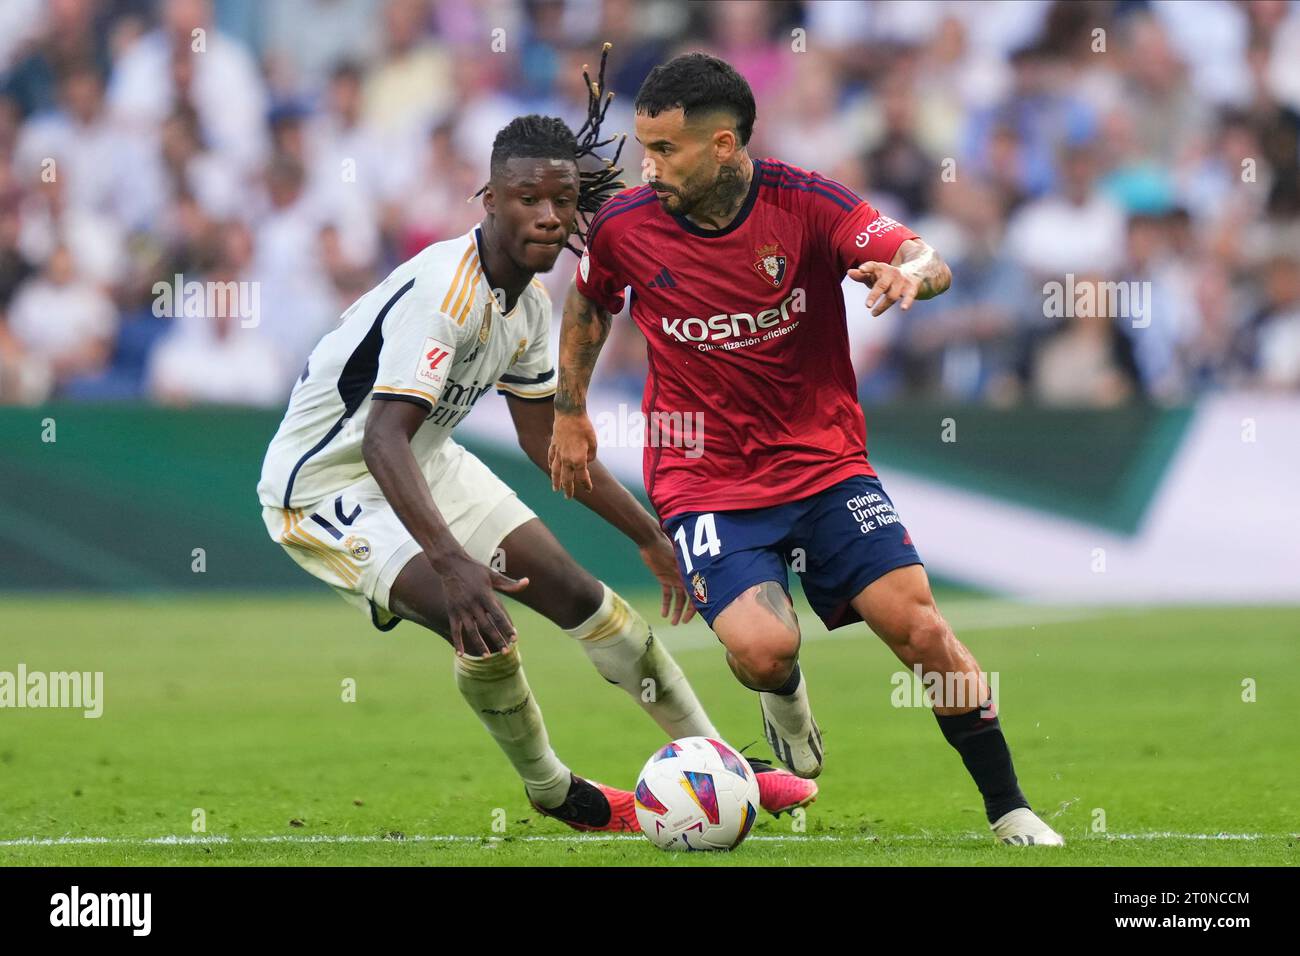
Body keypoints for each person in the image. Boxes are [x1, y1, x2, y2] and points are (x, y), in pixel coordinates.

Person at [257, 62, 816, 834]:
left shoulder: (526, 303)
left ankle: (724, 765)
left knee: (592, 603)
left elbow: (545, 441)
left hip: (423, 461)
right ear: (490, 203)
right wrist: (453, 561)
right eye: (528, 200)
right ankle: (556, 790)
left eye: (562, 199)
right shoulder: (443, 296)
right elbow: (383, 435)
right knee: (482, 622)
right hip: (326, 489)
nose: (550, 216)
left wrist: (651, 536)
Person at [549, 52, 1063, 846]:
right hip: (704, 478)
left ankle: (1010, 807)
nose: (647, 168)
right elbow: (588, 307)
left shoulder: (807, 204)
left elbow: (926, 255)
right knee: (762, 650)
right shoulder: (624, 227)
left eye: (665, 150)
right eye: (643, 147)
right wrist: (570, 411)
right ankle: (783, 699)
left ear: (724, 145)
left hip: (824, 464)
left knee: (922, 630)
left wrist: (910, 278)